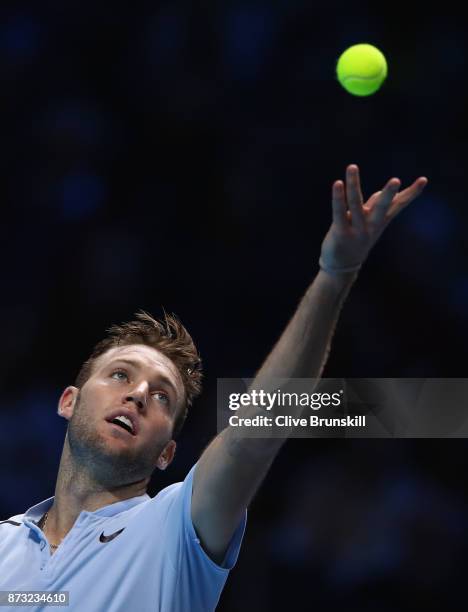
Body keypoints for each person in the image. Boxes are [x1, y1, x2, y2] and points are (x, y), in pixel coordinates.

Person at [0, 165, 428, 611]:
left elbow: (254, 435)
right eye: (120, 375)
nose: (139, 394)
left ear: (167, 453)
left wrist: (333, 276)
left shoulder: (174, 529)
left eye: (162, 396)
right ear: (68, 401)